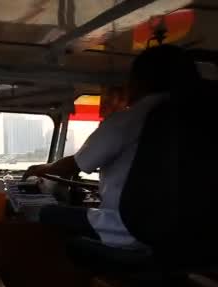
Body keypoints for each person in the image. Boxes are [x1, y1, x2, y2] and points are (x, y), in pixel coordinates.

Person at [23, 45, 200, 249]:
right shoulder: (199, 119)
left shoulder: (129, 119)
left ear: (140, 81)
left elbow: (73, 165)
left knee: (46, 212)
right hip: (186, 234)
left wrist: (41, 169)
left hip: (128, 229)